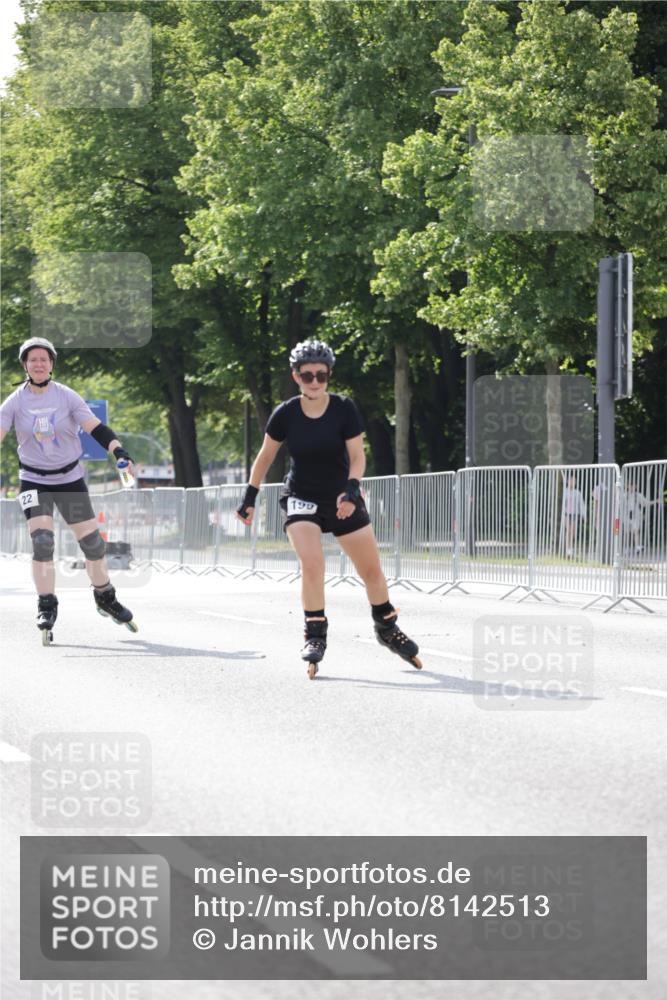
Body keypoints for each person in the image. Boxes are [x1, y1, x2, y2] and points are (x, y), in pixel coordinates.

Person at [235, 339, 421, 679]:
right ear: (296, 377)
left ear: (329, 375)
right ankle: (315, 634)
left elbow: (357, 456)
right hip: (301, 496)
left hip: (340, 497)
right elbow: (265, 457)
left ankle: (386, 626)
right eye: (307, 376)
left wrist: (351, 490)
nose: (315, 382)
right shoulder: (286, 413)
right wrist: (250, 498)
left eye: (322, 375)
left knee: (372, 572)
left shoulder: (344, 408)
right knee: (312, 562)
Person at [0, 337, 138, 642]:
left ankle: (105, 597)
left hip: (69, 480)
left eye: (44, 359)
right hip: (34, 481)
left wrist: (120, 452)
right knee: (43, 542)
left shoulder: (66, 396)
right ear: (25, 365)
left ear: (51, 364)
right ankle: (46, 604)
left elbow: (96, 428)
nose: (38, 364)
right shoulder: (15, 401)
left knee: (92, 545)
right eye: (32, 359)